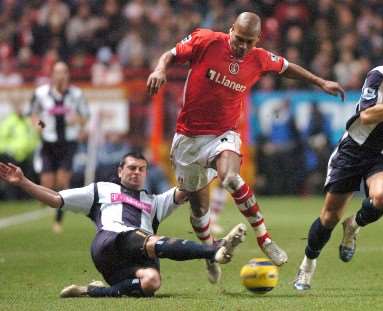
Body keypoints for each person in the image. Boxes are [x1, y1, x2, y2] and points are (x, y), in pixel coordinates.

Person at [146, 11, 345, 283]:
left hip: (223, 134)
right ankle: (208, 252)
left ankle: (265, 239)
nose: (242, 46)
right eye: (238, 39)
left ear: (257, 40)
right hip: (189, 138)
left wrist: (321, 82)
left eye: (249, 42)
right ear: (230, 31)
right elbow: (170, 54)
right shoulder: (206, 40)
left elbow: (287, 67)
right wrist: (160, 69)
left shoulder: (259, 57)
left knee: (230, 177)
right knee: (198, 210)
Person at [0, 152, 246, 298]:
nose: (136, 172)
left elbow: (190, 188)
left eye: (141, 169)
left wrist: (210, 165)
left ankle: (91, 291)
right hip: (111, 243)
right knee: (148, 241)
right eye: (131, 168)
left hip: (132, 262)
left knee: (151, 282)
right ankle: (216, 250)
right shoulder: (102, 190)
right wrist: (22, 181)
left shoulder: (155, 201)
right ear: (120, 171)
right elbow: (56, 198)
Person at [293, 50, 383, 291]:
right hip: (353, 150)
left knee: (381, 199)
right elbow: (368, 115)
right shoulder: (377, 77)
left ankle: (354, 225)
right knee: (329, 217)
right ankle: (308, 263)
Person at [28, 61, 90, 233]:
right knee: (46, 183)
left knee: (63, 180)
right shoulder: (41, 94)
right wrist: (39, 124)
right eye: (57, 72)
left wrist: (78, 121)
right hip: (48, 142)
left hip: (68, 142)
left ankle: (59, 219)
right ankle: (47, 212)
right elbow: (33, 114)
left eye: (64, 72)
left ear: (68, 75)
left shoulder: (76, 94)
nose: (61, 75)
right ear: (52, 75)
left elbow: (85, 116)